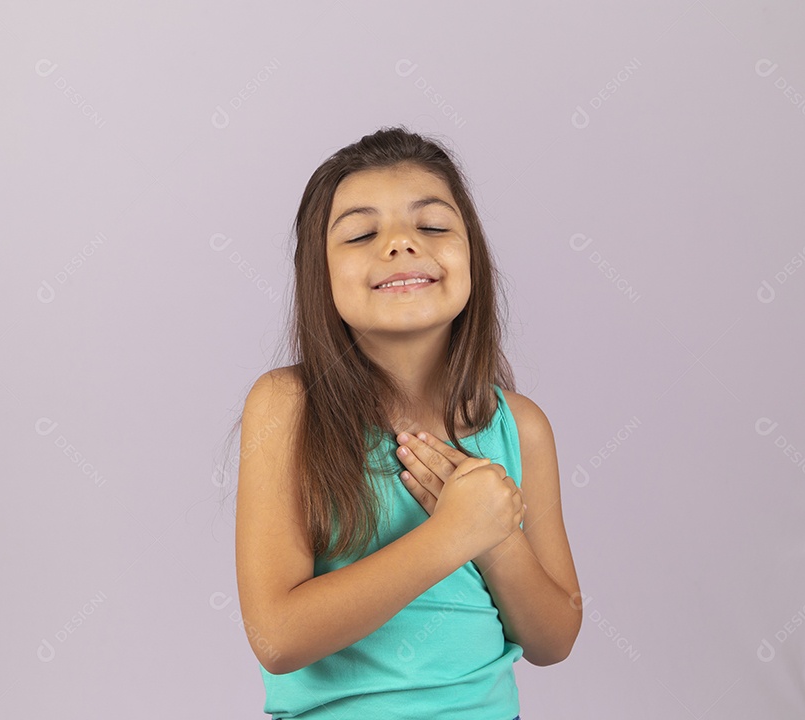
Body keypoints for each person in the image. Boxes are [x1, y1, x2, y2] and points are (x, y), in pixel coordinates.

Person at [234, 125, 581, 719]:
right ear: (320, 275)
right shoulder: (287, 406)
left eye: (434, 226)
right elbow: (278, 638)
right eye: (362, 233)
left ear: (472, 254)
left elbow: (555, 639)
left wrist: (497, 541)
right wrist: (453, 536)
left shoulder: (521, 428)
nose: (399, 244)